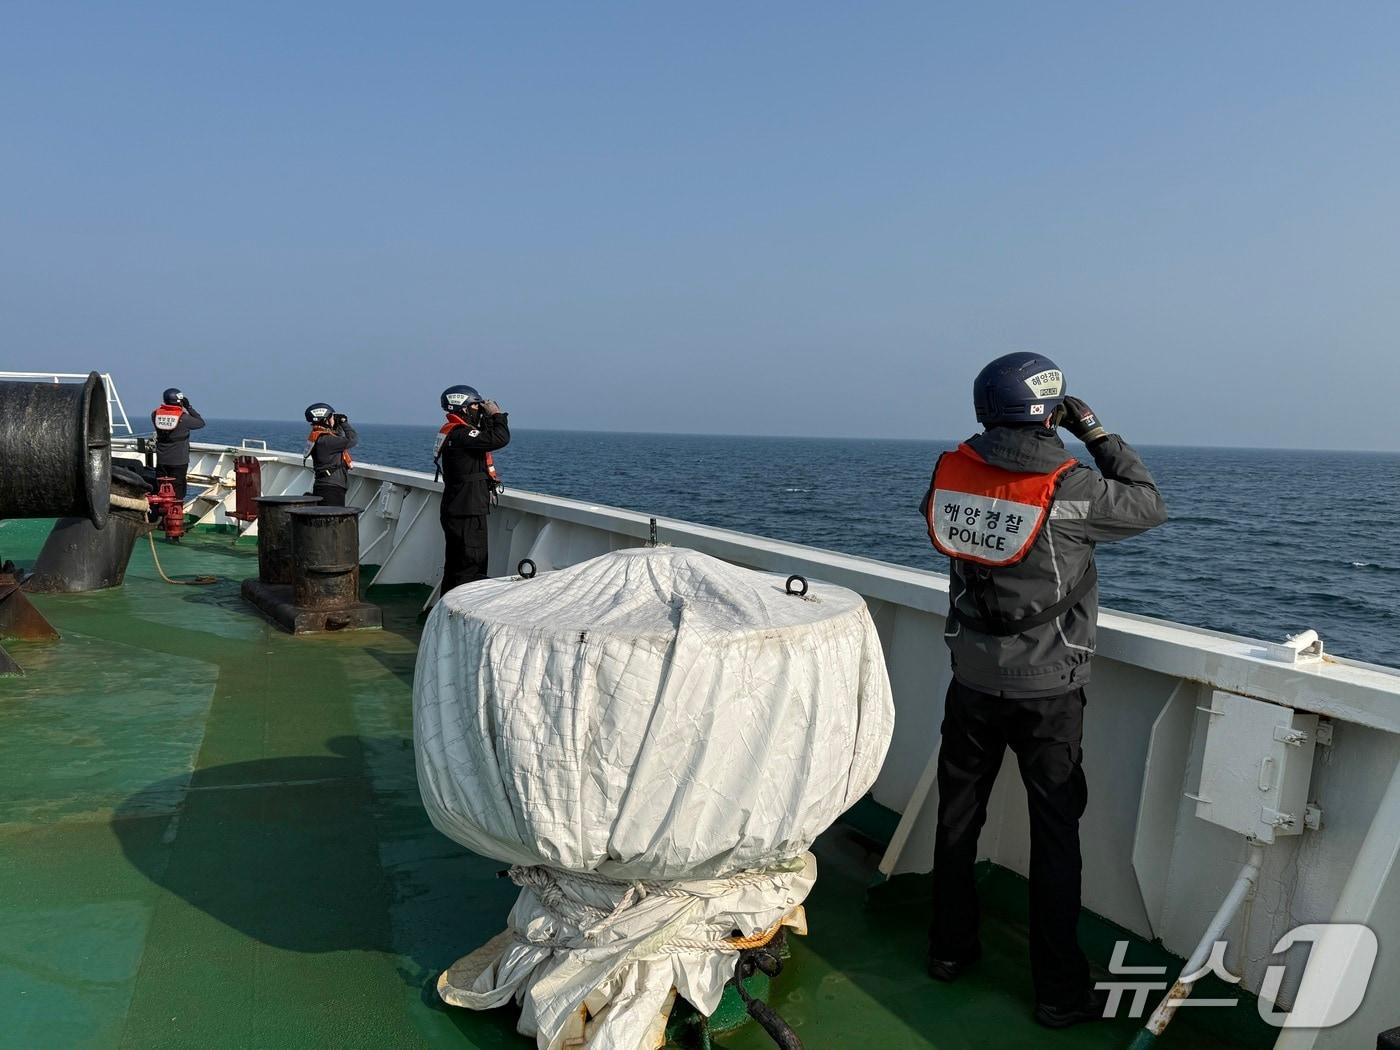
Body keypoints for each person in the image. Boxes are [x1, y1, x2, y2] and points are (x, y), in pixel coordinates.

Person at [920, 352, 1167, 1029]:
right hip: (1049, 689)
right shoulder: (1073, 487)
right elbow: (1148, 504)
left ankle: (948, 950)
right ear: (1051, 412)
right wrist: (1097, 434)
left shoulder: (949, 474)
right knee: (1054, 835)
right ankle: (1058, 992)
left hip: (971, 678)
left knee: (957, 818)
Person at [434, 384, 510, 594]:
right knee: (470, 566)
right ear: (464, 408)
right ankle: (461, 610)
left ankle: (446, 608)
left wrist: (486, 418)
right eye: (476, 406)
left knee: (455, 567)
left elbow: (483, 436)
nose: (479, 409)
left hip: (459, 507)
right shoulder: (461, 435)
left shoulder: (454, 433)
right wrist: (496, 415)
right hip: (467, 511)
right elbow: (499, 438)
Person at [150, 387, 206, 499]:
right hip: (179, 461)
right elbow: (201, 423)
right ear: (180, 401)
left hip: (162, 460)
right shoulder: (183, 418)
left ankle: (160, 508)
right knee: (178, 490)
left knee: (161, 488)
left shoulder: (155, 415)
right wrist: (189, 407)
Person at [303, 403, 357, 508]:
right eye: (331, 417)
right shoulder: (327, 441)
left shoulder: (320, 438)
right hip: (331, 490)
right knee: (332, 517)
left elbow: (337, 437)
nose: (333, 419)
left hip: (325, 486)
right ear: (325, 420)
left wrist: (336, 425)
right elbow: (352, 439)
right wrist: (344, 423)